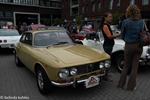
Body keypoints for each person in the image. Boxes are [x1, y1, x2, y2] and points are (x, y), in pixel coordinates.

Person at [117, 5, 143, 91]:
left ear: (128, 12)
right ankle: (131, 87)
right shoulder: (141, 22)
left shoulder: (125, 22)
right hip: (139, 45)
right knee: (135, 67)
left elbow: (122, 36)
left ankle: (120, 85)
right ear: (137, 12)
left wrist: (127, 40)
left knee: (126, 66)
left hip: (128, 45)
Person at [100, 12, 120, 81]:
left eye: (111, 17)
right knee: (107, 61)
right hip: (107, 45)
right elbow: (109, 36)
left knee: (108, 60)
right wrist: (118, 35)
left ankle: (106, 74)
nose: (111, 18)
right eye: (109, 17)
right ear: (105, 18)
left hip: (109, 45)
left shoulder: (107, 25)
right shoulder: (105, 26)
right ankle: (105, 76)